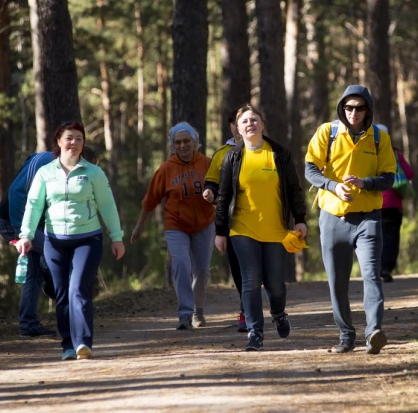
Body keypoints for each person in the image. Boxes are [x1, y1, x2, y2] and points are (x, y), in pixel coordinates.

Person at [15, 121, 124, 361]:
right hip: (55, 241)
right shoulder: (45, 173)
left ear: (83, 143)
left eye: (78, 138)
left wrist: (117, 237)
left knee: (78, 289)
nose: (73, 142)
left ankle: (83, 342)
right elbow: (34, 206)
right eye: (69, 138)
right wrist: (26, 235)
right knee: (61, 293)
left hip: (88, 239)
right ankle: (67, 344)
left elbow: (107, 206)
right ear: (58, 141)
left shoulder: (93, 173)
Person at [305, 85, 396, 354]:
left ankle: (373, 333)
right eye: (348, 107)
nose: (353, 113)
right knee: (337, 281)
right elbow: (310, 169)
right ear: (342, 109)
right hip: (332, 217)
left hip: (369, 218)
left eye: (359, 108)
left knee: (371, 274)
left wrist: (364, 183)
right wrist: (333, 186)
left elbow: (389, 178)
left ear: (368, 110)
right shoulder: (327, 132)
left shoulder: (378, 137)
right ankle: (346, 336)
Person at [214, 104, 307, 351]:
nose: (250, 124)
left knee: (276, 284)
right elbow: (223, 196)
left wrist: (300, 218)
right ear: (238, 128)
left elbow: (294, 189)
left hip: (276, 229)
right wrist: (221, 232)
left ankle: (278, 312)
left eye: (254, 119)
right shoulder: (232, 157)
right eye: (244, 121)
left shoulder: (279, 153)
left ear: (263, 124)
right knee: (251, 280)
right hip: (243, 229)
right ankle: (255, 332)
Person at [131, 122, 214, 330]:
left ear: (195, 142)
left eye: (187, 141)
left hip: (204, 223)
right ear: (173, 145)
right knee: (181, 264)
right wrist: (139, 227)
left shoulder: (208, 163)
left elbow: (221, 192)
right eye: (178, 142)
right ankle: (185, 314)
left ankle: (198, 311)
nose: (183, 145)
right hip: (175, 224)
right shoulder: (166, 169)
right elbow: (150, 200)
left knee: (202, 270)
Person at [203, 109, 247, 332]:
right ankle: (246, 310)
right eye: (236, 122)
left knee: (258, 269)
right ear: (231, 125)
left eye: (247, 120)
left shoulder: (264, 149)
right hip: (231, 221)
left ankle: (260, 307)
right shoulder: (221, 154)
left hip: (260, 218)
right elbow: (211, 183)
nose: (241, 125)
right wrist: (210, 192)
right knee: (238, 268)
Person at [378, 124, 414, 283]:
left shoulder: (368, 152)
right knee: (391, 237)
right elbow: (410, 173)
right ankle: (386, 269)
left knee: (374, 237)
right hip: (393, 203)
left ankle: (374, 268)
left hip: (374, 203)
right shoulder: (395, 152)